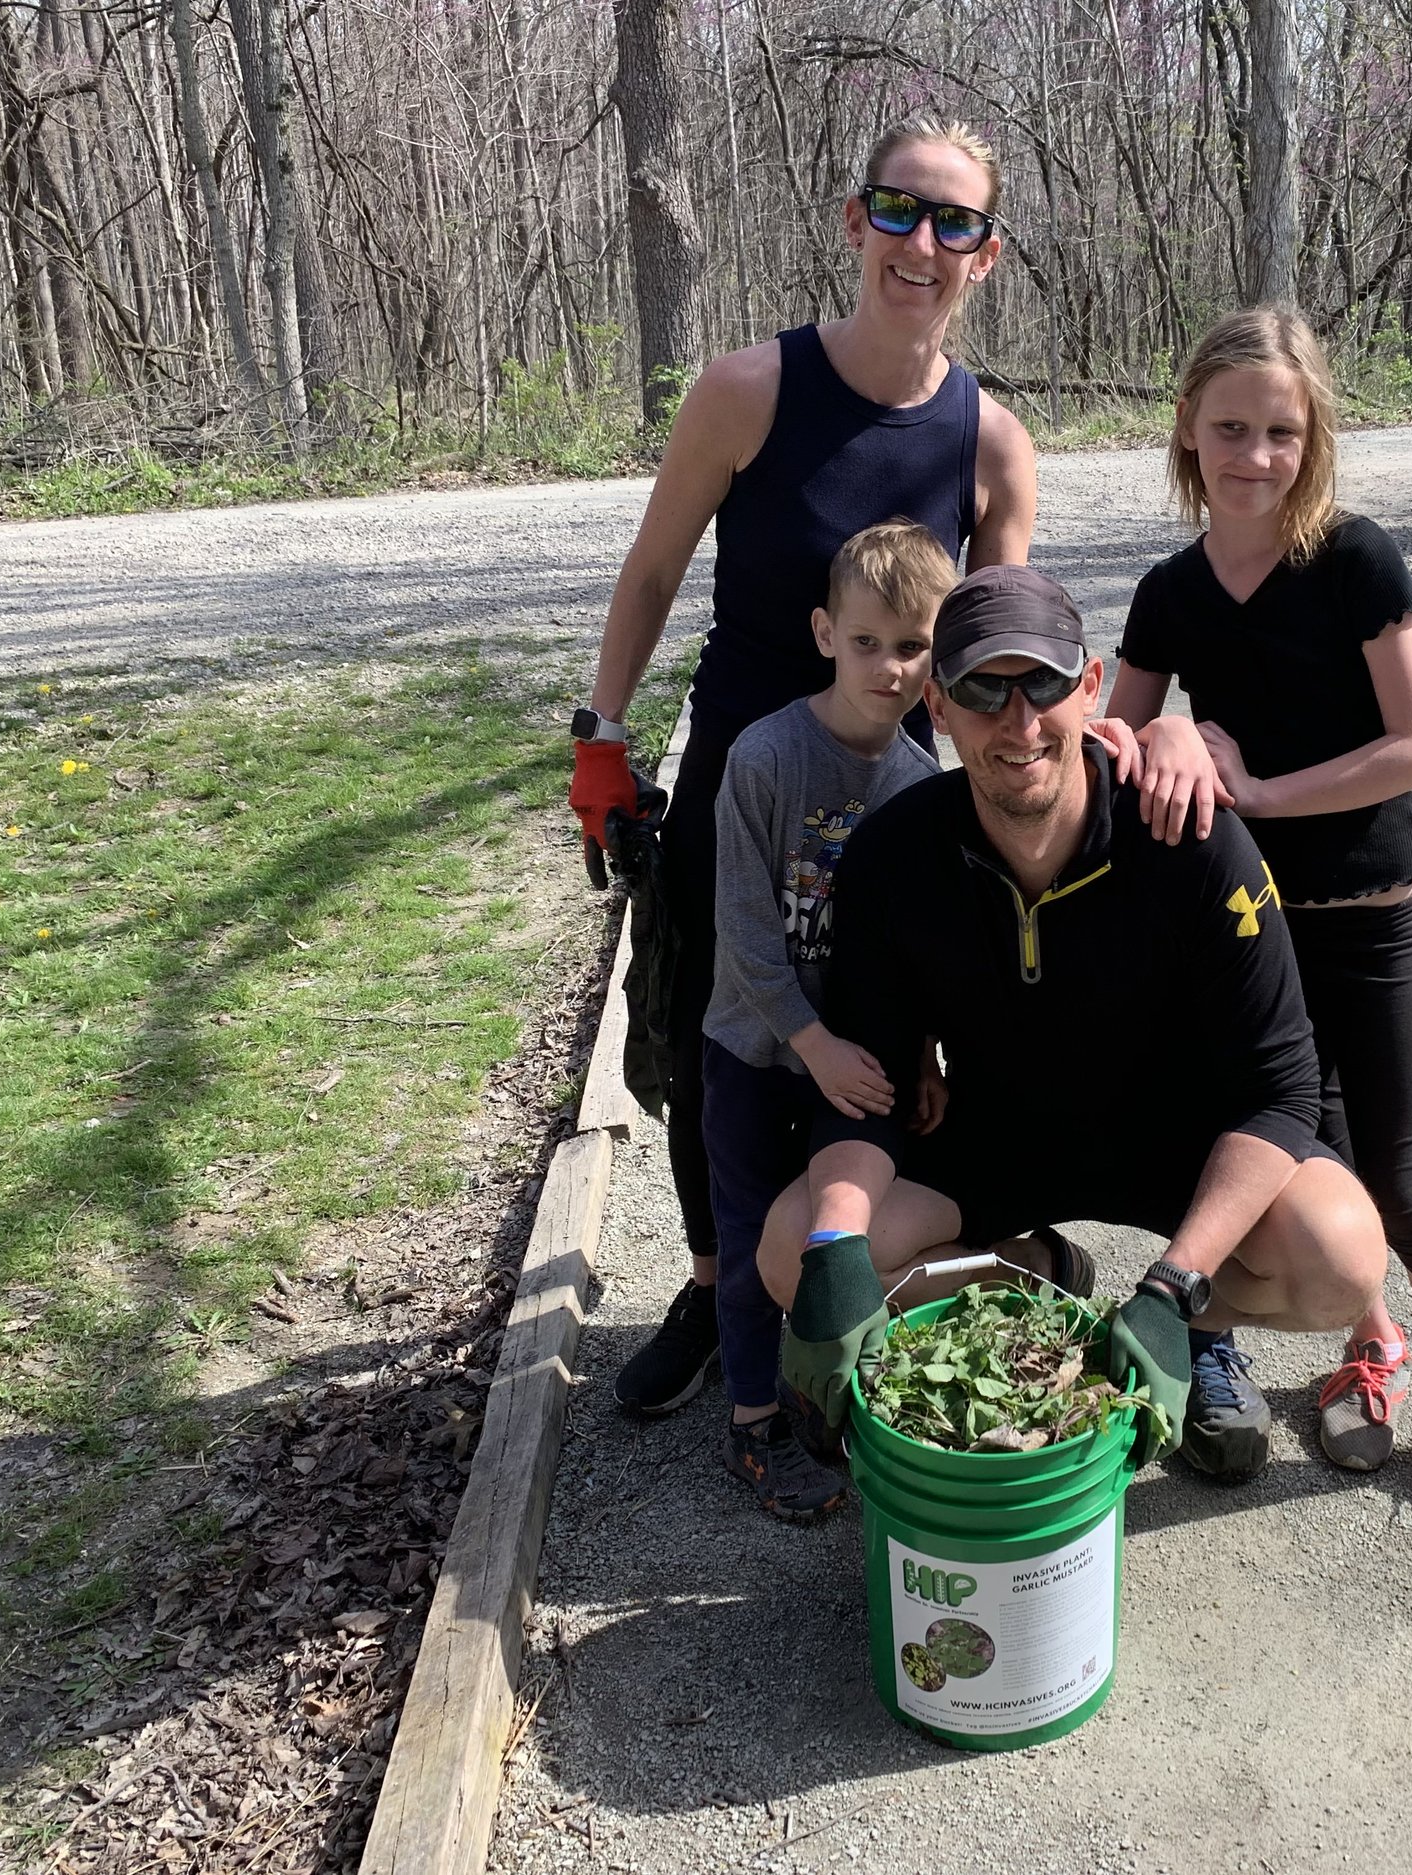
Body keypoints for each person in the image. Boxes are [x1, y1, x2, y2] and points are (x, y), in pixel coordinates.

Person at [571, 114, 1037, 1420]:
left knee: (871, 1049)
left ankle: (823, 1276)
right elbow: (653, 570)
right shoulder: (747, 392)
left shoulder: (989, 443)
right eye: (900, 211)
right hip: (738, 788)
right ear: (855, 222)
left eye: (955, 223)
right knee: (711, 1041)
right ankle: (717, 1284)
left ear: (985, 256)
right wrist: (599, 736)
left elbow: (1003, 649)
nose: (923, 244)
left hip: (892, 812)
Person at [755, 564, 1390, 1483]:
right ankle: (1046, 1279)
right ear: (936, 705)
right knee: (789, 1249)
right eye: (983, 690)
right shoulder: (894, 856)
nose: (1018, 723)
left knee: (1342, 1258)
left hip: (1179, 1144)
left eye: (1044, 685)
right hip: (999, 1139)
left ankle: (1187, 1328)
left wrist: (1177, 1285)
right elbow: (874, 1084)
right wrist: (835, 1249)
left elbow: (1281, 1091)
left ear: (1091, 689)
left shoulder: (1194, 838)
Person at [1102, 304, 1412, 1540]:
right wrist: (1174, 733)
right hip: (1254, 932)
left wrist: (1265, 791)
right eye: (1230, 428)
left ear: (1314, 437)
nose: (1254, 455)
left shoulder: (1353, 558)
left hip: (1374, 916)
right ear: (1186, 427)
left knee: (1401, 1176)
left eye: (1280, 432)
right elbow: (1117, 740)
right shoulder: (1171, 590)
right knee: (1310, 1161)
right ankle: (1368, 1347)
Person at [700, 521, 959, 1519]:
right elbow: (745, 928)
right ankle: (754, 1418)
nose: (888, 669)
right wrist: (807, 1043)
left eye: (911, 647)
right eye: (866, 643)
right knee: (742, 1230)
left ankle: (829, 1388)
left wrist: (926, 1052)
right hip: (759, 1050)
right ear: (823, 632)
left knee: (816, 1237)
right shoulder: (765, 758)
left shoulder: (919, 783)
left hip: (859, 1060)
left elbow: (920, 946)